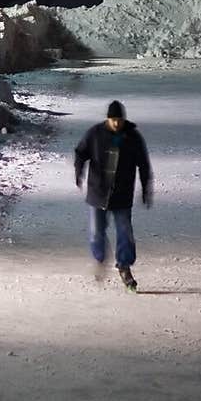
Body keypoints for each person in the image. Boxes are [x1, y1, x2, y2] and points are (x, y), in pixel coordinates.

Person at [74, 100, 153, 291]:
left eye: (119, 120)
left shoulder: (133, 137)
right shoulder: (95, 134)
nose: (116, 123)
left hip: (122, 195)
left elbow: (143, 164)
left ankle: (124, 267)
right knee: (96, 233)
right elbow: (80, 153)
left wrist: (145, 188)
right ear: (107, 119)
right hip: (97, 193)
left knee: (125, 233)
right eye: (113, 120)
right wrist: (79, 172)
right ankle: (100, 259)